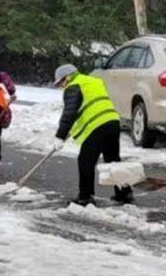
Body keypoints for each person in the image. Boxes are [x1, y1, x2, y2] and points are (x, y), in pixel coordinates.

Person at [53, 64, 132, 205]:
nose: (61, 86)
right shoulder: (92, 81)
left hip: (97, 126)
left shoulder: (73, 86)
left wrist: (59, 136)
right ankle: (124, 193)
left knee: (85, 160)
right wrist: (67, 132)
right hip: (112, 122)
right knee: (113, 160)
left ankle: (85, 196)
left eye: (60, 82)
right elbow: (87, 107)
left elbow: (69, 113)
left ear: (67, 77)